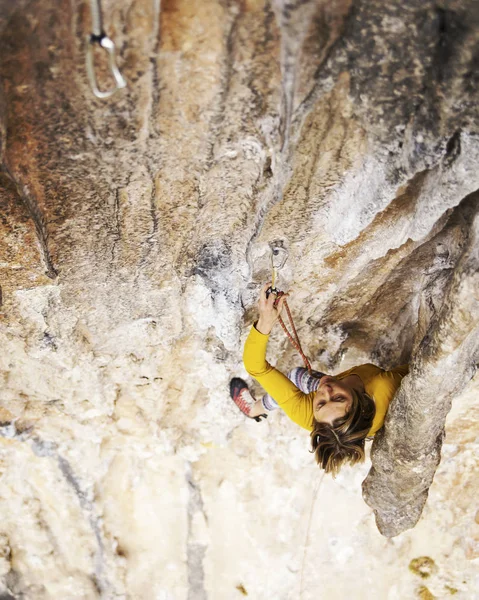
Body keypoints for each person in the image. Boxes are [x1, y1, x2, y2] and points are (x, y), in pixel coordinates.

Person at [230, 283, 409, 476]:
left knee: (295, 377)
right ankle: (259, 408)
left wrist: (265, 321)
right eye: (339, 398)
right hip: (358, 418)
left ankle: (255, 409)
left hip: (336, 422)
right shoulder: (383, 387)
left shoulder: (307, 413)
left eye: (321, 402)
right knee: (298, 378)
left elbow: (256, 367)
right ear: (360, 400)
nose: (326, 391)